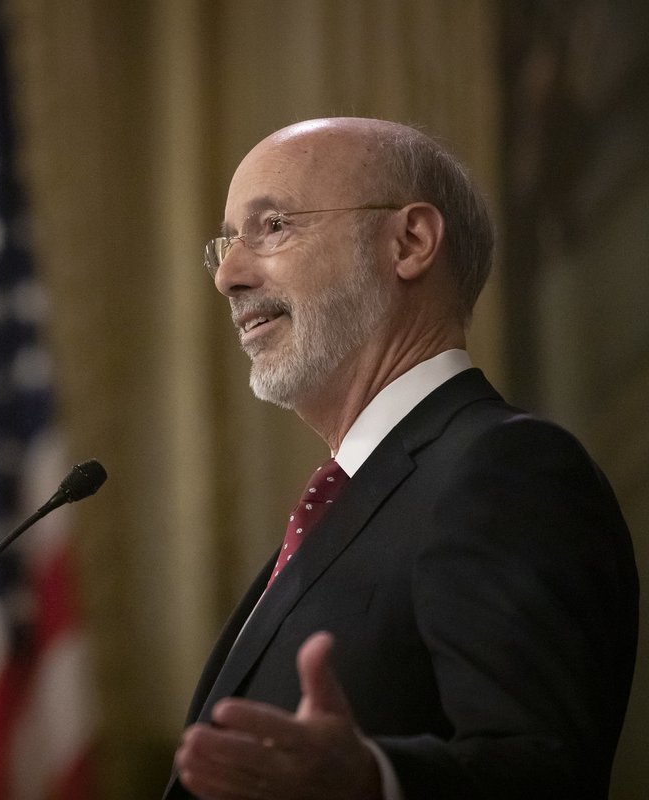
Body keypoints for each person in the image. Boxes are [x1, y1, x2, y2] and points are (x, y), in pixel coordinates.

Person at [164, 117, 639, 800]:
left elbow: (545, 769)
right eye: (227, 244)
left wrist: (374, 781)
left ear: (410, 243)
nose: (229, 277)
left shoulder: (506, 471)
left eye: (271, 228)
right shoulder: (345, 503)